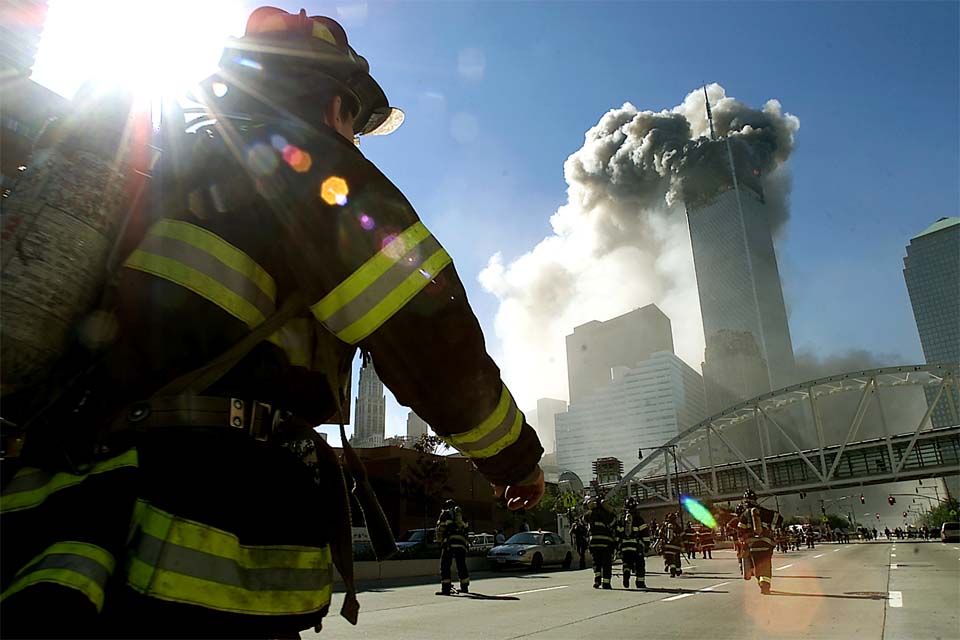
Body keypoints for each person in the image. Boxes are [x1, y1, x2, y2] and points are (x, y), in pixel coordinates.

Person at [0, 7, 545, 638]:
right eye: (356, 122)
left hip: (63, 520)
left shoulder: (166, 168)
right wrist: (516, 459)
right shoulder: (312, 171)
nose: (357, 139)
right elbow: (431, 339)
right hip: (197, 537)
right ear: (336, 99)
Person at [737, 490, 783, 595]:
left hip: (753, 546)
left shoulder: (744, 515)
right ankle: (765, 585)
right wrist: (771, 528)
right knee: (766, 564)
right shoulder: (764, 512)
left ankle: (761, 582)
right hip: (767, 544)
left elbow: (740, 531)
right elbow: (779, 519)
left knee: (757, 565)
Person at [616, 497, 650, 589]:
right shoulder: (639, 519)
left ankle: (626, 574)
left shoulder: (621, 518)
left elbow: (618, 533)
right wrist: (647, 545)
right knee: (639, 565)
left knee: (626, 562)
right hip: (636, 546)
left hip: (625, 547)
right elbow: (644, 533)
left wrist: (617, 546)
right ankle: (640, 583)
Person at [436, 499, 470, 595]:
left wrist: (440, 541)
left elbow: (441, 529)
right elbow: (467, 529)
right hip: (461, 543)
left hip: (449, 543)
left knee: (445, 565)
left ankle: (446, 588)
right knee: (461, 565)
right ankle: (464, 587)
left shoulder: (445, 514)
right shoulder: (463, 516)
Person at [585, 497, 616, 589]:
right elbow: (614, 523)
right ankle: (606, 583)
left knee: (596, 562)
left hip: (594, 542)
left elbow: (583, 520)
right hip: (606, 543)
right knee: (606, 563)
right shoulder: (608, 514)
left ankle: (597, 580)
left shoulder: (589, 514)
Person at [660, 511, 684, 577]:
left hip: (667, 546)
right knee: (677, 558)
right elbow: (682, 535)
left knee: (670, 559)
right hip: (676, 547)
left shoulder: (664, 526)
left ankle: (672, 571)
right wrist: (682, 545)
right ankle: (678, 570)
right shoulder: (677, 526)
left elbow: (660, 534)